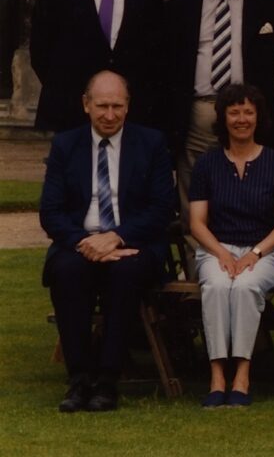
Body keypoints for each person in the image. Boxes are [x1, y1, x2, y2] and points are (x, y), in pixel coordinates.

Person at [41, 71, 176, 412]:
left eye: (118, 106)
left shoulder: (152, 143)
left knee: (125, 273)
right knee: (68, 271)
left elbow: (162, 208)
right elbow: (51, 212)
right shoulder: (65, 145)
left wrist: (115, 237)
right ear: (86, 105)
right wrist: (85, 243)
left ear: (128, 107)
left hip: (133, 242)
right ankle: (79, 380)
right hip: (79, 243)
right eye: (102, 106)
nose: (110, 115)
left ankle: (107, 380)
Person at [184, 82, 274, 408]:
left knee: (244, 288)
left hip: (265, 250)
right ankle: (217, 376)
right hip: (217, 248)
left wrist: (254, 254)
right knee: (217, 286)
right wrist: (221, 253)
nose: (241, 118)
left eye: (248, 111)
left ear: (258, 118)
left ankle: (242, 375)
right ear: (223, 117)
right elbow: (197, 223)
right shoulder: (207, 164)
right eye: (234, 112)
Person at [168, 0, 274, 173]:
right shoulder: (179, 8)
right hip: (199, 114)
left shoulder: (272, 6)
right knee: (194, 194)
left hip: (250, 114)